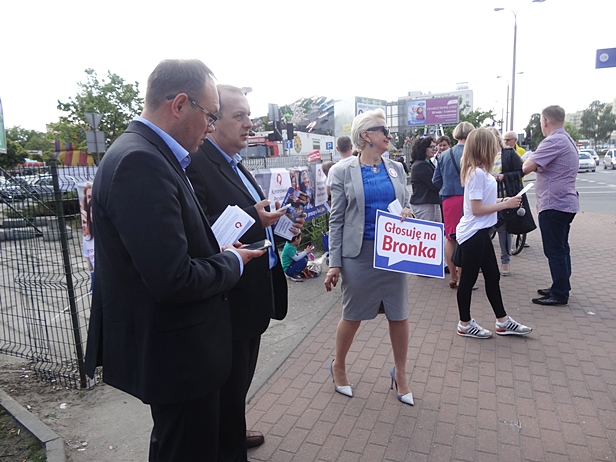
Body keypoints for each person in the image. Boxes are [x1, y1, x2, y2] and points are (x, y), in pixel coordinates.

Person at [84, 59, 266, 462]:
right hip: (178, 355)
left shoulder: (150, 153)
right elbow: (174, 279)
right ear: (180, 105)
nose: (211, 125)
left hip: (181, 349)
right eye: (211, 114)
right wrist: (232, 262)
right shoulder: (140, 161)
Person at [185, 84, 299, 461]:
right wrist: (255, 218)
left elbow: (254, 216)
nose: (250, 124)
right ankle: (228, 444)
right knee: (228, 382)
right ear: (213, 122)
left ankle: (233, 427)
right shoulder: (198, 164)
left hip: (252, 292)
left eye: (250, 115)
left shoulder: (235, 162)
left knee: (239, 381)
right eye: (239, 116)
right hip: (229, 297)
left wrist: (279, 226)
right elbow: (200, 230)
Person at [324, 109, 415, 406]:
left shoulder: (396, 168)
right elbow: (336, 219)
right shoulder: (341, 171)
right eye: (383, 130)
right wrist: (334, 263)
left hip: (393, 251)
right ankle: (338, 365)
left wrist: (407, 212)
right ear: (366, 136)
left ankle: (400, 373)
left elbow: (406, 204)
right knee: (352, 315)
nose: (389, 136)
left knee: (398, 314)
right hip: (359, 253)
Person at [456, 128, 532, 339]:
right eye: (494, 144)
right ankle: (464, 323)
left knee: (492, 276)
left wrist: (503, 201)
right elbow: (476, 209)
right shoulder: (477, 174)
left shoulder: (478, 172)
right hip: (474, 233)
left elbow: (480, 204)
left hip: (478, 232)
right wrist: (504, 203)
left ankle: (503, 321)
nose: (498, 148)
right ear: (485, 147)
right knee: (469, 280)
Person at [523, 105, 579, 306]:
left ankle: (560, 293)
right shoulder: (567, 139)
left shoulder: (553, 141)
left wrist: (534, 158)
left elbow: (526, 167)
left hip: (553, 203)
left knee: (555, 250)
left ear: (545, 121)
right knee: (562, 248)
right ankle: (560, 285)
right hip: (566, 202)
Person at [432, 121, 475, 288]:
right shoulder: (473, 153)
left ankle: (453, 276)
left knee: (450, 238)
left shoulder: (443, 155)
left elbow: (435, 180)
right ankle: (465, 277)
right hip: (470, 199)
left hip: (449, 199)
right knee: (467, 237)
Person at [488, 127, 524, 276]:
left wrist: (504, 176)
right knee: (486, 231)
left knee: (504, 230)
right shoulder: (484, 155)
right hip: (488, 200)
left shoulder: (508, 153)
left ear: (497, 138)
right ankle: (485, 263)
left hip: (505, 197)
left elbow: (521, 170)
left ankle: (505, 262)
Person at [410, 136, 441, 222]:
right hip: (424, 204)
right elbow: (434, 184)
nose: (434, 149)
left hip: (430, 202)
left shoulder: (427, 162)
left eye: (435, 146)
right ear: (423, 148)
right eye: (431, 147)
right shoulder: (421, 165)